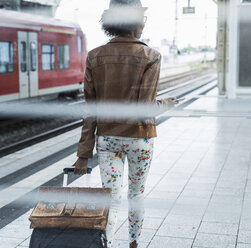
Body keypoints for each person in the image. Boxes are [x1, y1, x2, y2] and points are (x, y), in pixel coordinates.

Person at [73, 1, 177, 247]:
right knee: (136, 195)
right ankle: (133, 243)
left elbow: (90, 109)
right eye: (142, 17)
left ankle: (105, 243)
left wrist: (83, 154)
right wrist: (166, 104)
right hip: (139, 138)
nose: (144, 22)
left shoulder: (94, 56)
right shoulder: (151, 55)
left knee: (110, 197)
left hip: (108, 140)